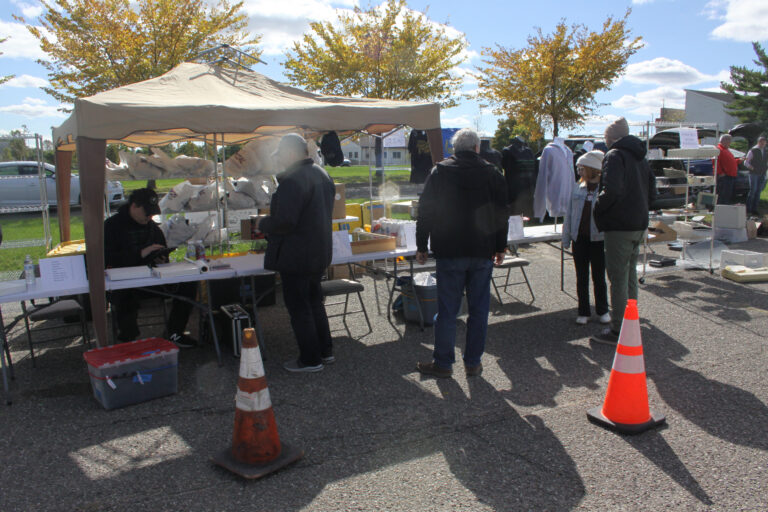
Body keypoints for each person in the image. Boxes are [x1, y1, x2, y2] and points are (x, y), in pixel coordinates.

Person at [415, 128, 509, 378]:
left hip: (450, 249)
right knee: (479, 310)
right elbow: (502, 213)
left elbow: (426, 210)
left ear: (454, 149)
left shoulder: (440, 171)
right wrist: (500, 246)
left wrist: (421, 245)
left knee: (448, 310)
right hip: (482, 249)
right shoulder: (492, 173)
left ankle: (443, 363)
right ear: (477, 148)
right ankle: (473, 362)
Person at [255, 133, 336, 373]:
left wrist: (263, 223)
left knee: (300, 307)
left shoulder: (293, 180)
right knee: (314, 302)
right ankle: (325, 351)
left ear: (291, 153)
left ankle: (310, 359)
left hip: (297, 254)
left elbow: (286, 221)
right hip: (318, 251)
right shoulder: (322, 174)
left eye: (281, 154)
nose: (279, 159)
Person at [104, 188, 196, 347]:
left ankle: (175, 331)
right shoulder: (112, 226)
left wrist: (161, 258)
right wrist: (141, 253)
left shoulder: (152, 227)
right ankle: (128, 340)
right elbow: (108, 258)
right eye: (147, 213)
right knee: (125, 295)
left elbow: (162, 250)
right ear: (134, 206)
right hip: (123, 281)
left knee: (188, 284)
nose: (149, 217)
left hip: (152, 278)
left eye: (152, 214)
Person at [592, 118, 656, 345]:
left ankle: (619, 328)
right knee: (629, 277)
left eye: (606, 138)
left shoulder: (615, 156)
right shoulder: (640, 157)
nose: (605, 142)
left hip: (619, 225)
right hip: (638, 223)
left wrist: (598, 208)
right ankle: (631, 321)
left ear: (611, 138)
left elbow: (611, 190)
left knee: (618, 278)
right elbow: (652, 190)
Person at [562, 150, 610, 326]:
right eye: (578, 168)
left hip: (598, 239)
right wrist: (566, 238)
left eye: (582, 168)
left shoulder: (605, 190)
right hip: (579, 239)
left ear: (593, 169)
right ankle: (583, 311)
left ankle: (603, 310)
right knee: (581, 276)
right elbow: (569, 214)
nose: (579, 171)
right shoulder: (577, 187)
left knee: (599, 277)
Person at [744, 135, 767, 215]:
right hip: (753, 174)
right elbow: (746, 162)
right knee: (753, 191)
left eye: (764, 143)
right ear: (758, 142)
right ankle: (748, 209)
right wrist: (752, 168)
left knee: (758, 192)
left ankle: (755, 209)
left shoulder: (765, 151)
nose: (763, 144)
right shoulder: (753, 150)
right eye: (761, 143)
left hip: (762, 174)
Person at [715, 134, 740, 205]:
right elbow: (716, 162)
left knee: (727, 195)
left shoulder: (725, 150)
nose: (730, 143)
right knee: (722, 195)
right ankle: (721, 208)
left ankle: (725, 207)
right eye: (729, 141)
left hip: (730, 176)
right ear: (725, 141)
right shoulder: (718, 149)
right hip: (724, 177)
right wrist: (720, 172)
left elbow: (729, 162)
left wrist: (738, 161)